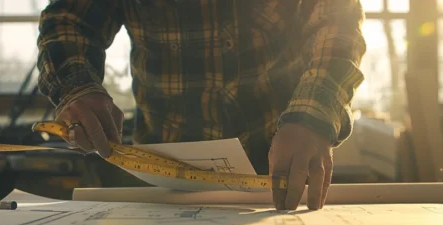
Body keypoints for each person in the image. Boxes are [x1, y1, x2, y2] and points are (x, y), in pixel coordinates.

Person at [36, 0, 366, 211]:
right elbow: (69, 19)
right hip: (160, 177)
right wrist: (76, 87)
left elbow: (337, 17)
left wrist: (313, 113)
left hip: (282, 167)